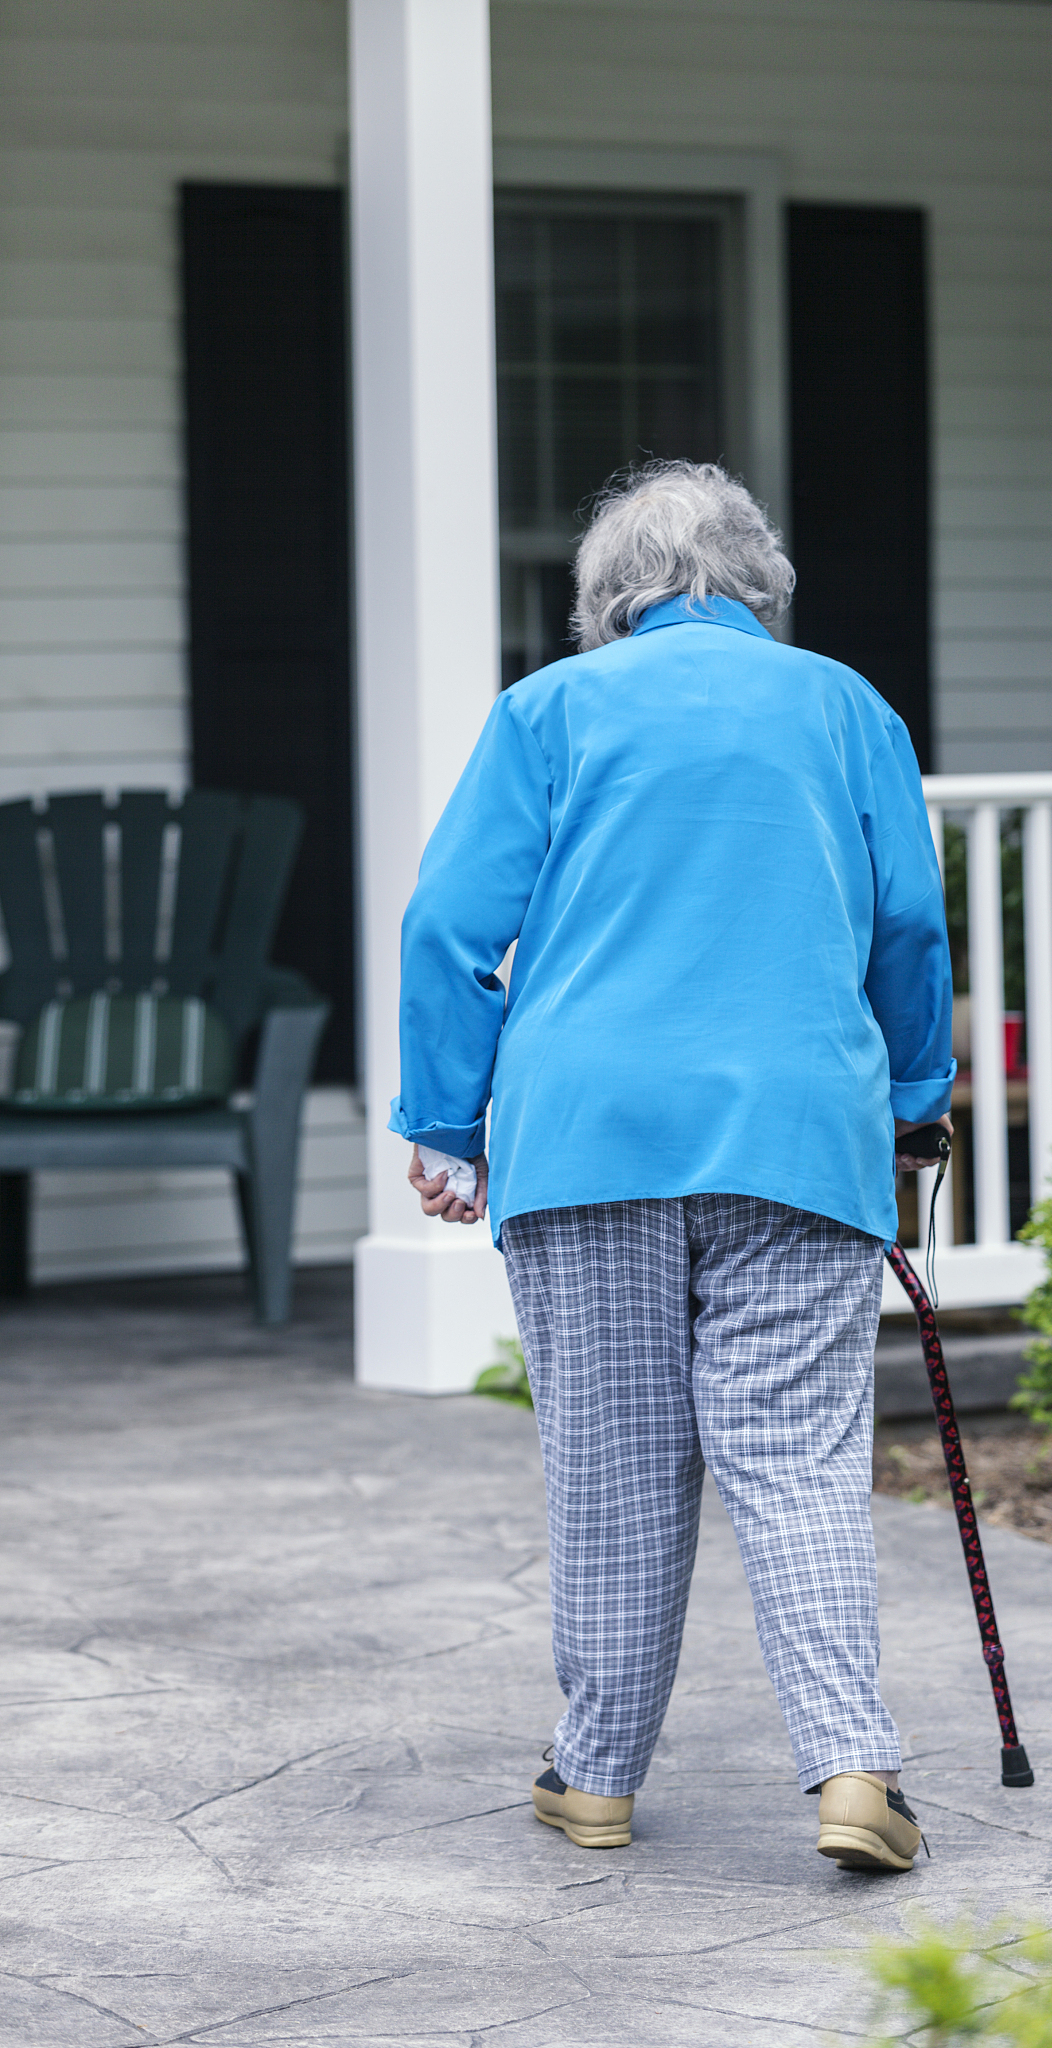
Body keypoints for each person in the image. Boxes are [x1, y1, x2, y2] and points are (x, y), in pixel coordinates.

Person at [390, 460, 955, 1872]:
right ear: (760, 585)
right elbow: (906, 932)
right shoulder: (844, 707)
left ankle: (592, 1781)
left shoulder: (547, 711)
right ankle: (850, 1776)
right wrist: (913, 1102)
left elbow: (447, 928)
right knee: (798, 1464)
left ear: (604, 602)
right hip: (795, 1134)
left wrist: (447, 1122)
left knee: (612, 1468)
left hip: (585, 1140)